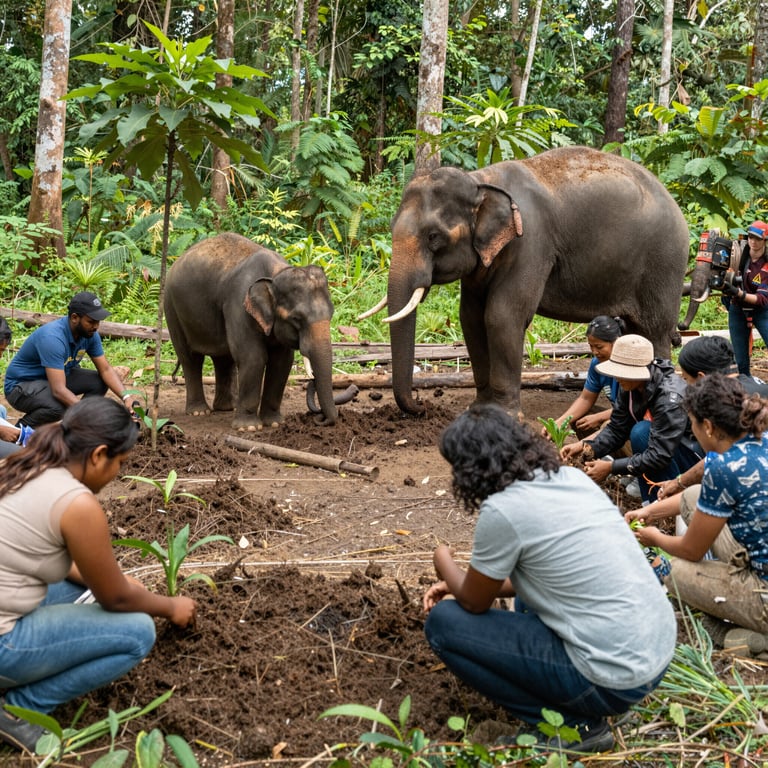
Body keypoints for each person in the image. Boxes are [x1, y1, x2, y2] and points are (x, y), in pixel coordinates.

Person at [423, 404, 676, 753]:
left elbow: (473, 602)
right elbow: (548, 575)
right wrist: (461, 581)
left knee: (443, 624)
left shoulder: (503, 510)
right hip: (653, 654)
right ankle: (587, 701)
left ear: (469, 469)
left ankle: (574, 725)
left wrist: (443, 560)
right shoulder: (568, 478)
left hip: (613, 678)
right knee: (526, 588)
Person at [0, 398, 197, 753]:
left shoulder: (25, 465)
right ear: (98, 454)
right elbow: (116, 599)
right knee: (138, 631)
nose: (118, 473)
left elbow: (55, 562)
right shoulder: (76, 503)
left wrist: (116, 583)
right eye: (119, 463)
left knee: (78, 589)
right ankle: (20, 711)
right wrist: (170, 606)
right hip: (3, 642)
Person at [625, 373, 768, 652]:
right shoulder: (757, 439)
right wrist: (651, 512)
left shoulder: (723, 468)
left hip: (764, 596)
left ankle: (745, 637)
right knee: (691, 496)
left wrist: (653, 538)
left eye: (692, 424)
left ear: (709, 427)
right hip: (758, 557)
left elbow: (690, 551)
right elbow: (697, 493)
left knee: (669, 569)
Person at [561, 334, 702, 503]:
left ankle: (667, 502)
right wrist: (588, 448)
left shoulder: (669, 397)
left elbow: (660, 455)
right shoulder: (630, 386)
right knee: (640, 432)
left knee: (641, 432)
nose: (617, 378)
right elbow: (617, 428)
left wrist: (611, 467)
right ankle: (650, 502)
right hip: (665, 452)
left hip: (691, 461)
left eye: (622, 373)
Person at [3, 292, 133, 428]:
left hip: (53, 378)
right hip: (21, 386)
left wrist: (127, 398)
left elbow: (105, 370)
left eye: (98, 322)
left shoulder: (89, 335)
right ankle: (18, 434)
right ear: (75, 317)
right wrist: (88, 414)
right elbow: (59, 390)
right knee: (60, 406)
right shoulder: (53, 338)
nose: (96, 326)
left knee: (99, 382)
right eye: (91, 321)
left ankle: (74, 428)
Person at [544, 316, 625, 438]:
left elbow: (632, 408)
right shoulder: (596, 363)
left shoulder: (628, 365)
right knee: (580, 419)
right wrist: (561, 422)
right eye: (591, 346)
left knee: (608, 425)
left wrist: (599, 417)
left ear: (616, 342)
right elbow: (586, 399)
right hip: (619, 415)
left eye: (599, 347)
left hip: (634, 420)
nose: (594, 352)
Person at [722, 220, 768, 376]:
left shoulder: (766, 265)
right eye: (751, 237)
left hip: (761, 311)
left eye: (758, 239)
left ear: (765, 241)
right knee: (740, 359)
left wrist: (738, 293)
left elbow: (761, 299)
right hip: (738, 309)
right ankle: (745, 389)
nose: (753, 242)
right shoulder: (738, 257)